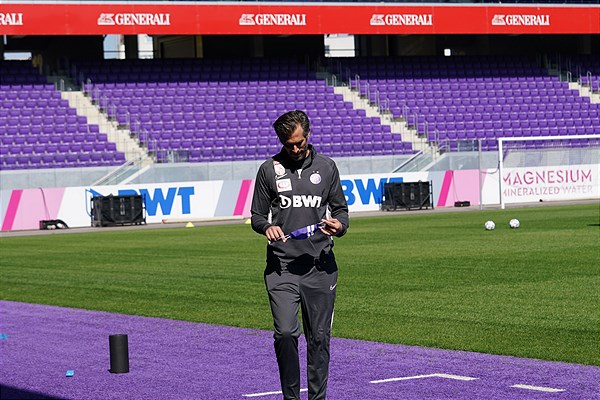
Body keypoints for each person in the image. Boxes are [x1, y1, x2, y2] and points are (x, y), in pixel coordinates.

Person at [251, 110, 349, 400]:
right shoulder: (269, 169)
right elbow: (256, 215)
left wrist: (340, 225)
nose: (295, 149)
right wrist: (267, 226)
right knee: (285, 333)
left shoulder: (327, 167)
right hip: (282, 267)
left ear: (308, 135)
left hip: (320, 267)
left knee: (319, 339)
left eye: (299, 142)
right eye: (288, 144)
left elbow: (341, 209)